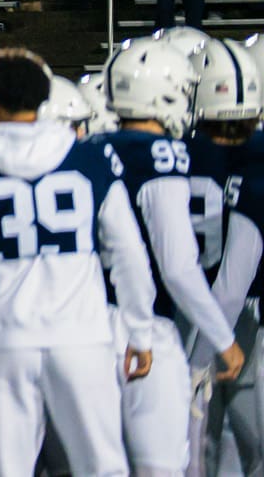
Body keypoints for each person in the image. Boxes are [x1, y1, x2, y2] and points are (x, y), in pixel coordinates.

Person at [0, 49, 158, 477]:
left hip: (7, 340)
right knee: (103, 467)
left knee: (6, 470)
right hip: (82, 338)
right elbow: (128, 252)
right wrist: (140, 329)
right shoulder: (88, 158)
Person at [103, 38, 243, 476]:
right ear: (163, 92)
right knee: (160, 465)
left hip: (83, 325)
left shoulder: (89, 149)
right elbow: (178, 266)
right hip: (146, 325)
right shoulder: (161, 156)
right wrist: (224, 339)